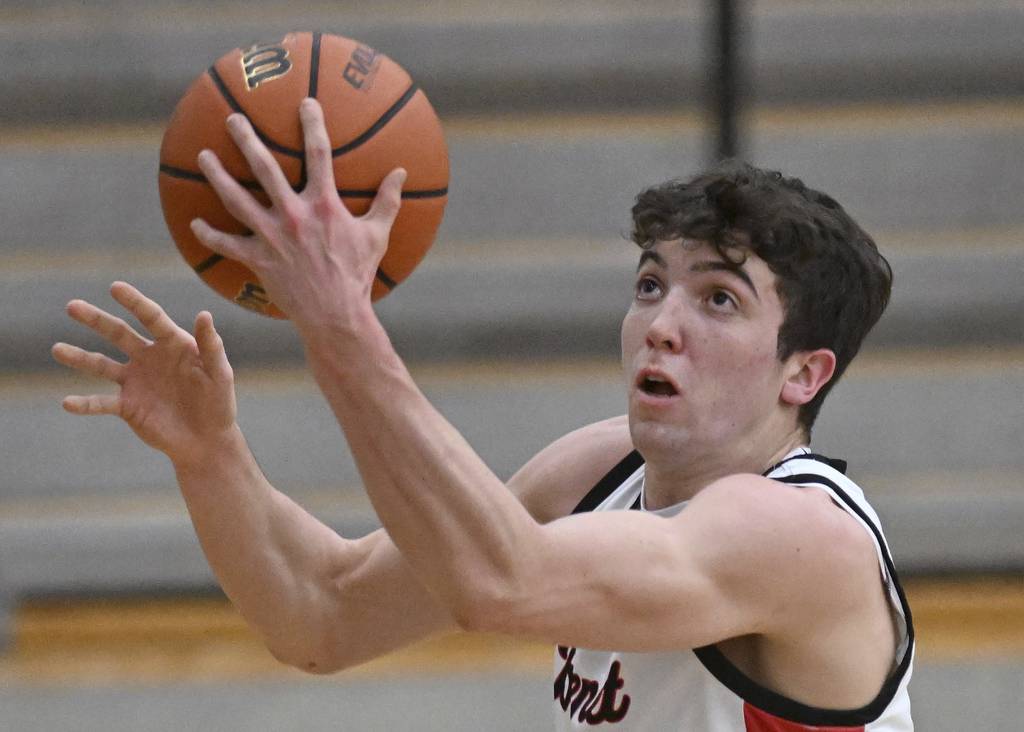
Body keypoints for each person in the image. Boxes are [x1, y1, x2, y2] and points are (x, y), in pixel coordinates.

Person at [53, 98, 913, 730]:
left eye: (718, 300)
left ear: (803, 373)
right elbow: (323, 613)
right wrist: (211, 456)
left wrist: (339, 324)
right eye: (651, 284)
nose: (661, 326)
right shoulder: (596, 469)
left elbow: (501, 582)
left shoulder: (803, 536)